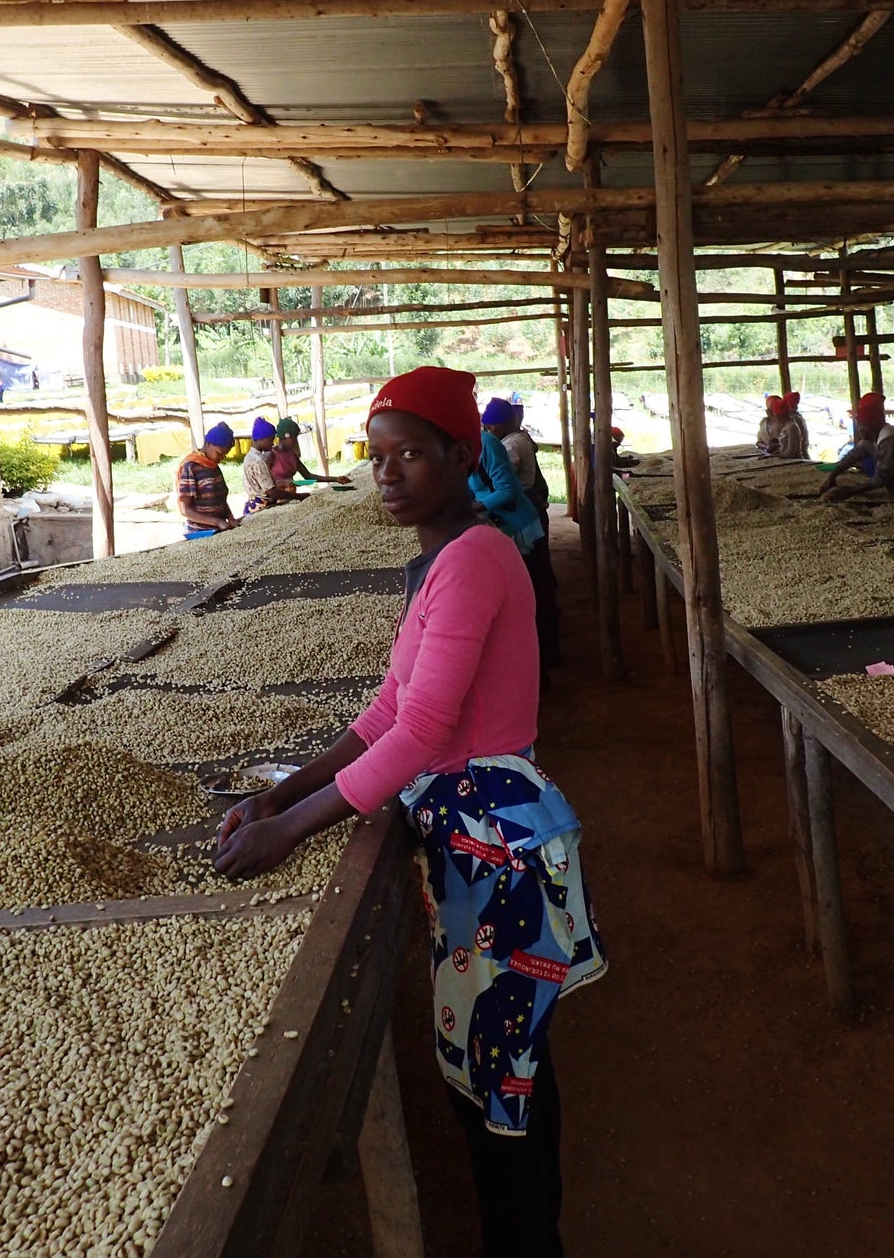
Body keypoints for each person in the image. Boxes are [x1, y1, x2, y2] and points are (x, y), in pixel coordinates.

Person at [214, 364, 605, 1258]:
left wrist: (289, 830)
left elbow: (424, 728)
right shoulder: (438, 560)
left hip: (494, 846)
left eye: (411, 455)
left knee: (497, 1081)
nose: (387, 473)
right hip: (467, 839)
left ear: (462, 456)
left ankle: (525, 1239)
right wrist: (281, 790)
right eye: (376, 455)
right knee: (504, 1064)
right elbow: (388, 708)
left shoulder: (474, 557)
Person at [483, 397, 560, 671]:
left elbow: (503, 482)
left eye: (493, 426)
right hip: (527, 507)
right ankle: (549, 650)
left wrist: (479, 502)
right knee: (540, 579)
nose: (490, 430)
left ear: (506, 423)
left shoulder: (511, 443)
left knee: (535, 582)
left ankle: (546, 654)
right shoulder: (515, 438)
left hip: (524, 511)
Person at [470, 412, 545, 555]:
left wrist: (472, 508)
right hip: (498, 523)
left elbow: (507, 490)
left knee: (532, 574)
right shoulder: (455, 448)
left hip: (519, 526)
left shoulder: (486, 443)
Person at [175, 421, 238, 535]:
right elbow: (185, 510)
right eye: (219, 454)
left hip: (220, 528)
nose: (221, 458)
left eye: (224, 455)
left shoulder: (213, 466)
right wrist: (217, 522)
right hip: (200, 531)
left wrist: (231, 518)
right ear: (209, 444)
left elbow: (221, 500)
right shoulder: (190, 467)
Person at [270, 415, 349, 492]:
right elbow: (263, 482)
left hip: (290, 496)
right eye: (294, 438)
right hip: (276, 498)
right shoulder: (271, 454)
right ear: (286, 436)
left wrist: (336, 479)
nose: (296, 442)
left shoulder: (292, 455)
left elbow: (308, 476)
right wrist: (281, 483)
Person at [242, 415, 288, 515]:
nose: (272, 444)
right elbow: (271, 492)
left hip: (252, 504)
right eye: (271, 440)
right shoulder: (257, 460)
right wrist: (298, 496)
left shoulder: (250, 456)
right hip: (260, 508)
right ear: (262, 439)